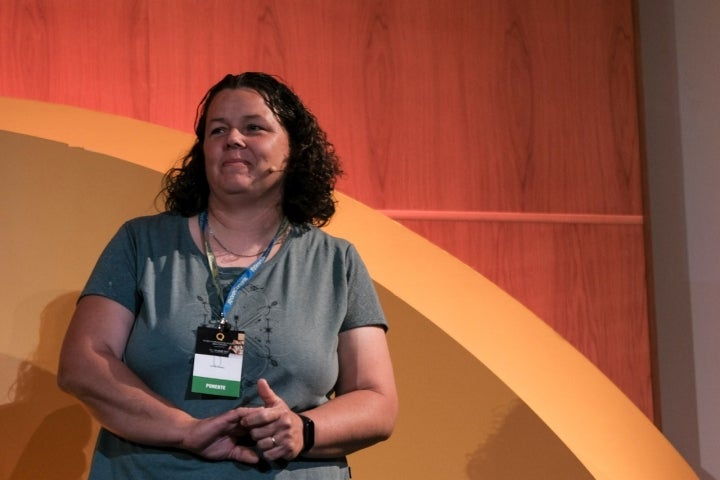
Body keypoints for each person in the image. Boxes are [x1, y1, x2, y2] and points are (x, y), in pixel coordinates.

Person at [57, 72, 398, 479]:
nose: (233, 139)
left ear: (294, 149)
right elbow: (84, 364)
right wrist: (185, 431)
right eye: (218, 129)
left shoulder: (336, 261)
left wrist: (303, 430)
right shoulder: (140, 242)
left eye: (254, 127)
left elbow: (377, 401)